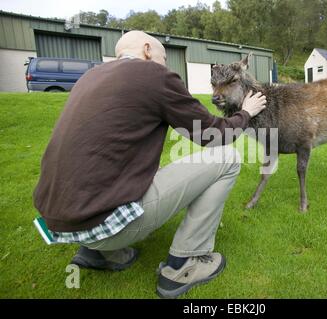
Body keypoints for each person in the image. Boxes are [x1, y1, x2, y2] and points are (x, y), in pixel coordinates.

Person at [33, 30, 266, 298]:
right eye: (164, 57)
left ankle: (99, 253)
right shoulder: (153, 75)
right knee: (228, 159)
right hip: (101, 222)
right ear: (147, 50)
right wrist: (246, 113)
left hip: (58, 221)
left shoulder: (91, 76)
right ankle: (184, 264)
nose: (166, 65)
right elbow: (212, 135)